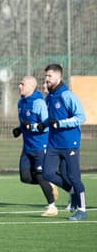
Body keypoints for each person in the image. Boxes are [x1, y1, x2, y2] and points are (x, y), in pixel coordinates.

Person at [41, 64, 87, 221]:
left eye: (50, 76)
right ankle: (72, 190)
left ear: (59, 77)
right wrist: (42, 124)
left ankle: (81, 210)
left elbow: (81, 117)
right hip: (54, 143)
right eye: (46, 76)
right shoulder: (49, 97)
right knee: (47, 173)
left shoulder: (67, 95)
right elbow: (52, 119)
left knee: (74, 177)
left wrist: (60, 124)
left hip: (69, 143)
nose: (47, 79)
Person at [12, 76, 58, 216]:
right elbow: (24, 122)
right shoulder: (21, 102)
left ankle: (52, 207)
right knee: (25, 177)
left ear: (31, 87)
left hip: (40, 147)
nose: (19, 86)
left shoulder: (38, 103)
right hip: (27, 147)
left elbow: (46, 126)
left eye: (22, 84)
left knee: (40, 176)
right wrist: (19, 129)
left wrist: (30, 126)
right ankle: (50, 184)